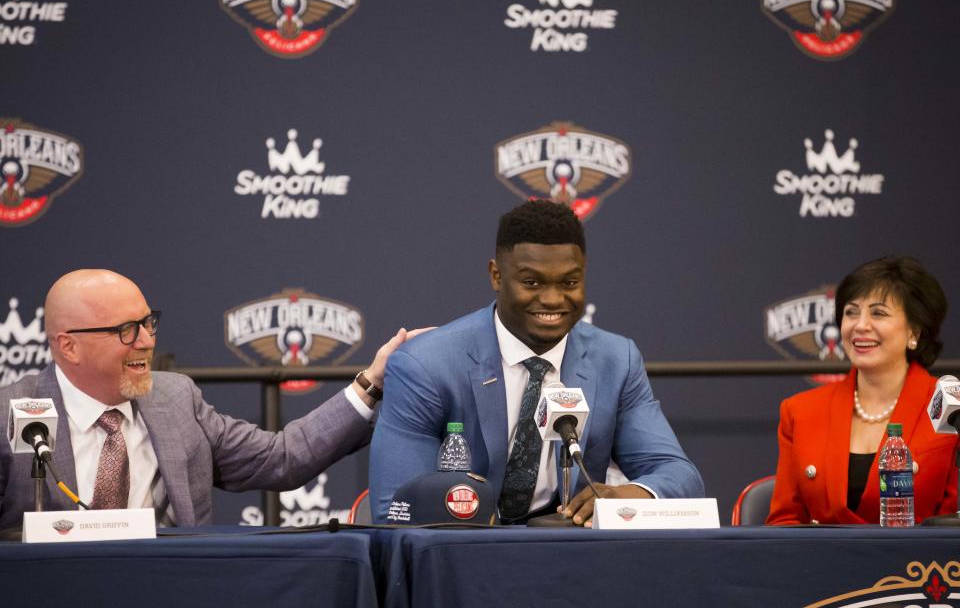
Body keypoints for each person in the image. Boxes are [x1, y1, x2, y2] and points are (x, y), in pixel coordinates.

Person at [0, 269, 426, 529]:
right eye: (126, 330)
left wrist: (372, 381)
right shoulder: (9, 417)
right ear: (68, 346)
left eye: (149, 323)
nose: (147, 342)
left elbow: (283, 457)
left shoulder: (176, 400)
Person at [369, 200, 704, 525]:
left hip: (570, 564)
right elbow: (396, 508)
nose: (553, 299)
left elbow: (680, 477)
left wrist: (632, 495)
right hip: (461, 561)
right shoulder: (426, 365)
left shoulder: (615, 360)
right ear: (496, 276)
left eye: (569, 283)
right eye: (532, 282)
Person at [767, 256, 957, 525]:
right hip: (823, 565)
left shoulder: (948, 406)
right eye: (851, 312)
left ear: (914, 330)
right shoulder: (801, 411)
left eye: (878, 313)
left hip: (919, 565)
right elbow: (784, 523)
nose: (860, 325)